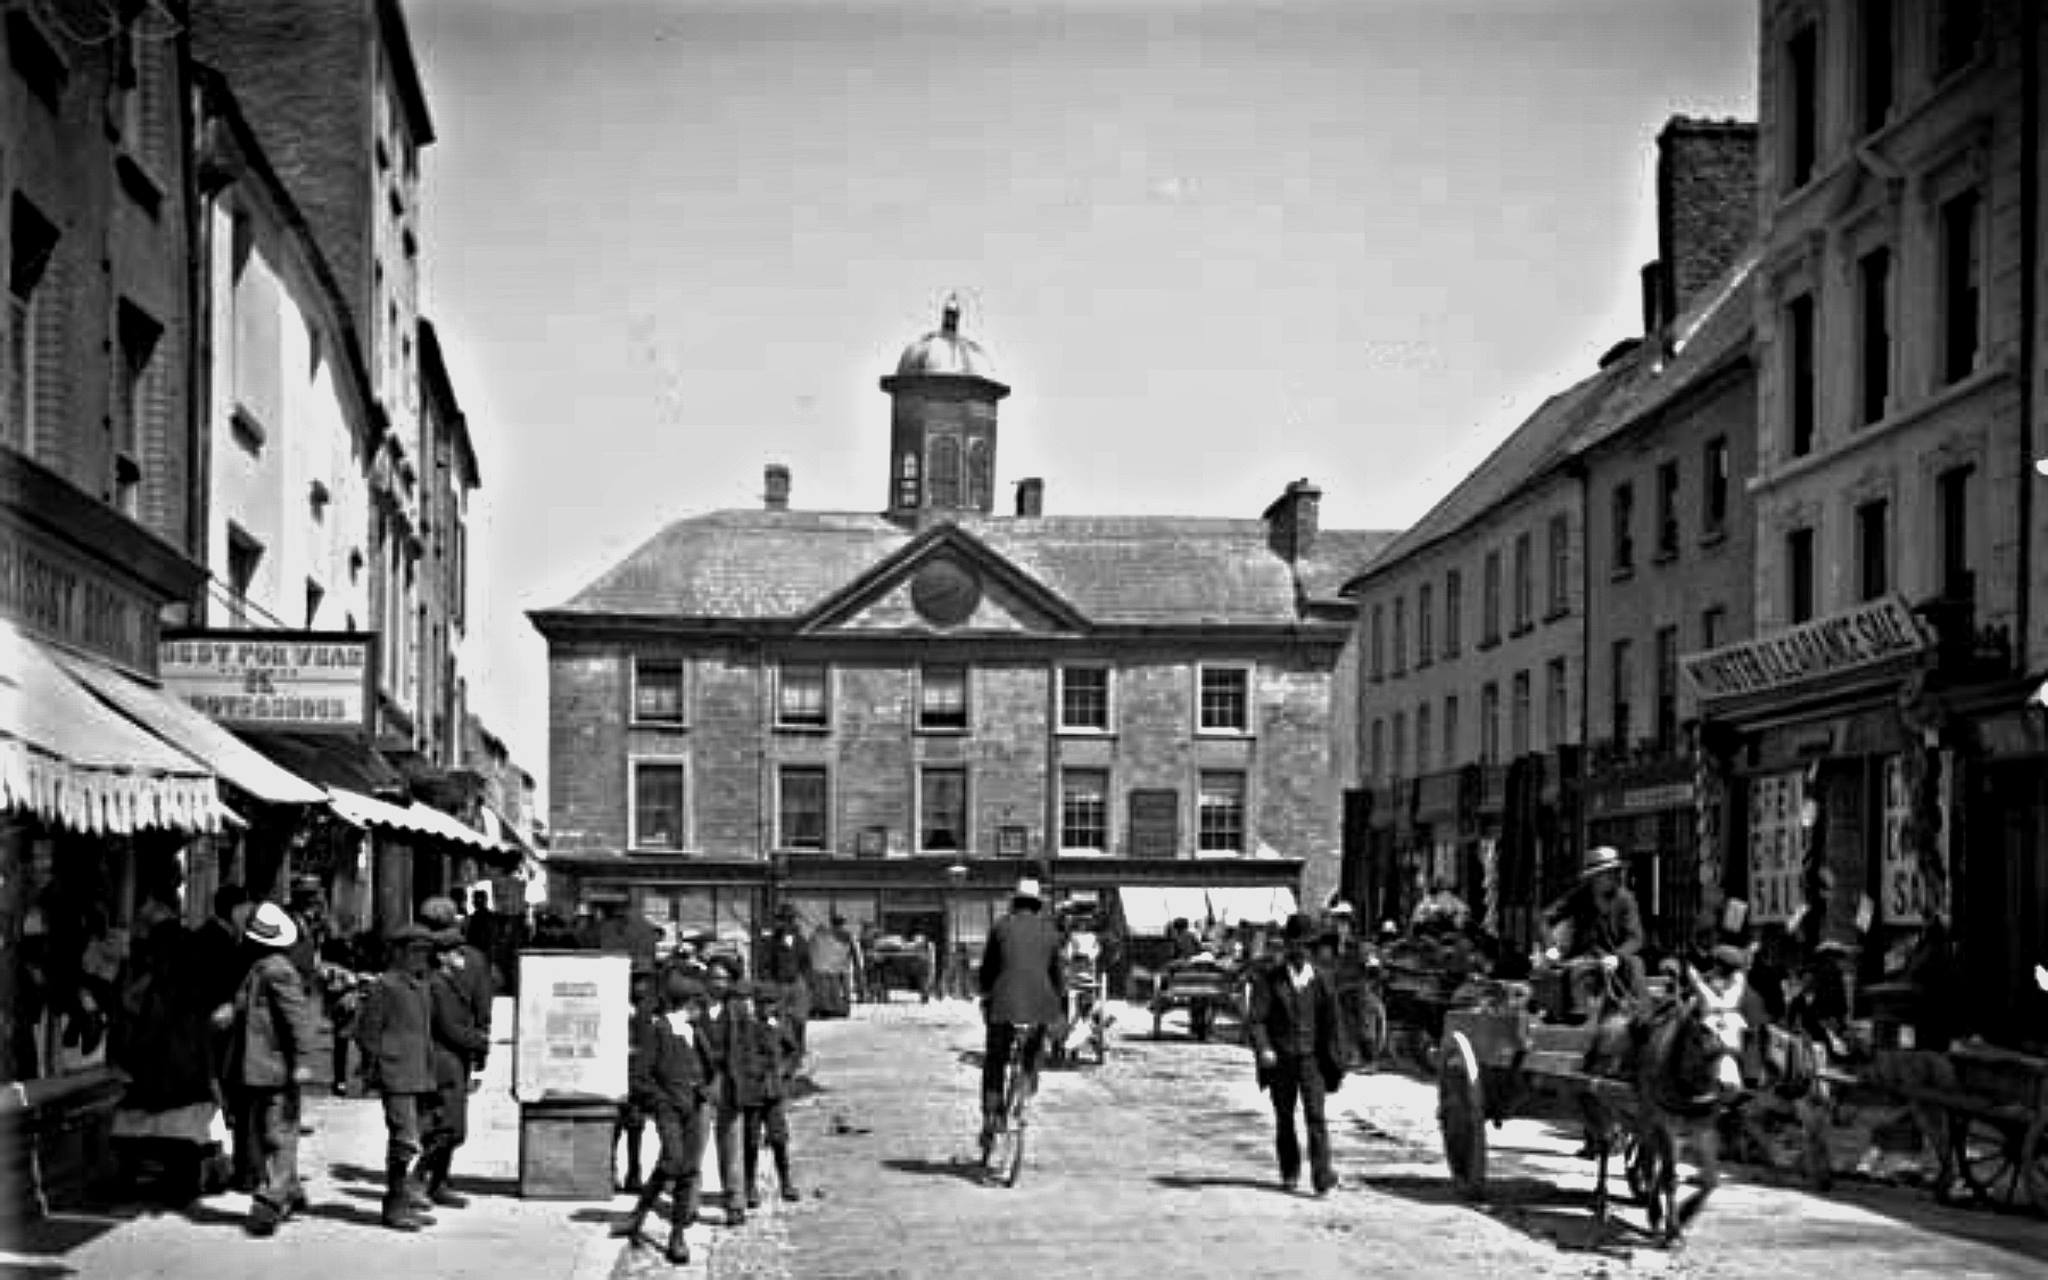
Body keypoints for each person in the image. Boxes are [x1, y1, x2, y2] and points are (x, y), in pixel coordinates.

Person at [615, 968, 715, 1266]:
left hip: (693, 1108)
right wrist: (661, 1102)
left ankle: (675, 1234)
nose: (702, 1010)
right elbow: (640, 1076)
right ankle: (641, 1212)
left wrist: (705, 1088)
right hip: (669, 1109)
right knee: (674, 1161)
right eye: (698, 1004)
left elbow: (710, 1068)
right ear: (686, 1004)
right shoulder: (660, 1030)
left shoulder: (694, 1032)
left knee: (685, 1168)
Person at [231, 903, 319, 1235]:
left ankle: (270, 1201)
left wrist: (303, 1061)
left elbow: (298, 1019)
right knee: (274, 1130)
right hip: (260, 1065)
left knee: (277, 1132)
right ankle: (290, 1187)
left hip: (275, 1065)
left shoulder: (277, 970)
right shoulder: (260, 968)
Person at [1246, 912, 1344, 1196]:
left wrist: (1337, 1060)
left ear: (1311, 948)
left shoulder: (1322, 981)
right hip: (1281, 1062)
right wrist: (1264, 1048)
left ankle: (1322, 1177)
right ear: (1287, 947)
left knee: (1316, 1117)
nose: (1299, 952)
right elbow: (1257, 1020)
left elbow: (1332, 1024)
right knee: (1284, 1117)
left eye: (1305, 946)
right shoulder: (1271, 979)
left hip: (1311, 1060)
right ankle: (1290, 1172)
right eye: (1295, 946)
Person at [355, 923, 441, 1232]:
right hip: (397, 1075)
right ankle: (394, 1206)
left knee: (423, 1136)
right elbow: (366, 1032)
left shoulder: (422, 985)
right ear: (400, 952)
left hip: (420, 1074)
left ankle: (406, 1198)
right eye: (416, 951)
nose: (422, 958)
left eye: (426, 952)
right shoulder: (386, 986)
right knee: (404, 1141)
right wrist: (379, 1065)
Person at [976, 878, 1064, 1154]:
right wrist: (1057, 1004)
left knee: (995, 1059)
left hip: (1003, 1004)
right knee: (1031, 1055)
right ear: (1038, 906)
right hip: (1039, 1006)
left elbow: (988, 968)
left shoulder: (1001, 927)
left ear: (1014, 903)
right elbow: (1057, 976)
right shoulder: (1050, 933)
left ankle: (992, 1115)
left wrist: (985, 993)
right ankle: (1024, 1093)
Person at [419, 927, 491, 1209]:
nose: (463, 956)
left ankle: (437, 1182)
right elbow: (449, 1028)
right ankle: (419, 1178)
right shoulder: (437, 984)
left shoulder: (448, 980)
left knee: (448, 1125)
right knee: (451, 1128)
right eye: (455, 952)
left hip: (456, 1058)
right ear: (442, 957)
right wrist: (480, 1042)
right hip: (444, 1059)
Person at [1543, 846, 1647, 1009]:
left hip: (1616, 958)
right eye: (1608, 873)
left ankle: (1642, 1013)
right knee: (1576, 973)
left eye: (1615, 872)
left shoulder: (1625, 899)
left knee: (1635, 964)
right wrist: (1551, 947)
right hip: (1585, 958)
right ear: (1594, 877)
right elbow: (1544, 918)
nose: (1614, 877)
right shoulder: (1578, 897)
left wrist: (1617, 957)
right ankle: (1581, 1020)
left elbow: (1636, 938)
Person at [700, 955, 750, 1225]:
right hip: (702, 1082)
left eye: (722, 979)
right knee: (695, 1142)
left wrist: (746, 1083)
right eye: (712, 978)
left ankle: (734, 1202)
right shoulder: (696, 1008)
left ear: (730, 982)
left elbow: (746, 1048)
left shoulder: (738, 1009)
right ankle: (688, 1203)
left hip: (730, 1082)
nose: (717, 984)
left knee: (731, 1143)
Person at [742, 983, 802, 1206]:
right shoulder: (748, 1026)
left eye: (771, 1004)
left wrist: (785, 1070)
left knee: (778, 1138)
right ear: (755, 1005)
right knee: (750, 1140)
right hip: (753, 1091)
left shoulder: (780, 1026)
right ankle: (749, 1186)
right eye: (763, 1004)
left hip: (774, 1091)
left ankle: (785, 1182)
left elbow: (793, 1050)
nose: (767, 1008)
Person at [616, 968, 659, 1193]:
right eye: (635, 982)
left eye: (644, 982)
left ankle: (634, 1173)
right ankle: (609, 1171)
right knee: (613, 1126)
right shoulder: (617, 1005)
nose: (639, 987)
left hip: (639, 1077)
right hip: (617, 1074)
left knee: (635, 1127)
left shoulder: (650, 1010)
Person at [759, 904, 812, 1057]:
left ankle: (800, 1047)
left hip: (797, 983)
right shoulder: (772, 942)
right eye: (782, 920)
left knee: (799, 1019)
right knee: (778, 1018)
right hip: (779, 984)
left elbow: (806, 962)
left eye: (788, 920)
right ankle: (783, 1047)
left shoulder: (800, 940)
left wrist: (806, 983)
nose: (784, 923)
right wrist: (768, 983)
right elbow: (765, 964)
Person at [807, 916, 854, 1019]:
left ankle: (829, 1009)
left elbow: (811, 950)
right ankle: (834, 1008)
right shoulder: (844, 936)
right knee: (833, 989)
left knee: (826, 989)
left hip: (827, 968)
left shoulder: (822, 936)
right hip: (835, 968)